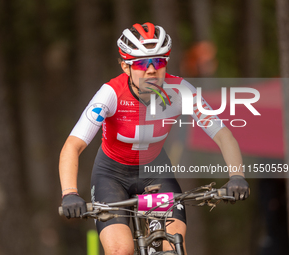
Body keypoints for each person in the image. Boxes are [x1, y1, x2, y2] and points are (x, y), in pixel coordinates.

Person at [59, 22, 249, 255]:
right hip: (111, 175)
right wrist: (70, 193)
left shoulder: (180, 91)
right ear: (125, 67)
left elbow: (223, 134)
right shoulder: (110, 93)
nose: (151, 69)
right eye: (141, 63)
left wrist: (237, 176)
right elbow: (73, 145)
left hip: (156, 172)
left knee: (172, 244)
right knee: (121, 250)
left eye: (158, 62)